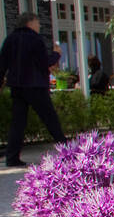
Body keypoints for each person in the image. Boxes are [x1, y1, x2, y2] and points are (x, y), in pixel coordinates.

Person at [0, 12, 65, 166]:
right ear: (30, 23)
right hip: (35, 86)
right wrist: (56, 54)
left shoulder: (10, 39)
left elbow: (2, 65)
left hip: (17, 87)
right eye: (37, 22)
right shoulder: (36, 39)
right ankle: (66, 150)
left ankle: (12, 157)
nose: (39, 26)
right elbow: (44, 62)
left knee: (18, 123)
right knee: (50, 119)